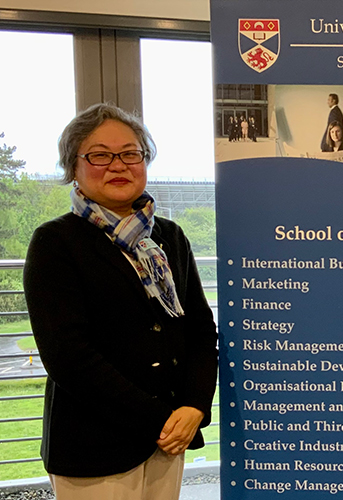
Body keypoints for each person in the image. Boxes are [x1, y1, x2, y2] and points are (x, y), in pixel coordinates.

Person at [23, 103, 218, 500]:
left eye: (131, 153)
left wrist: (195, 405)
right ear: (73, 166)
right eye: (100, 155)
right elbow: (68, 357)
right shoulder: (56, 242)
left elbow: (198, 328)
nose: (119, 165)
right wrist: (162, 418)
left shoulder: (168, 236)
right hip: (95, 446)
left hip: (168, 441)